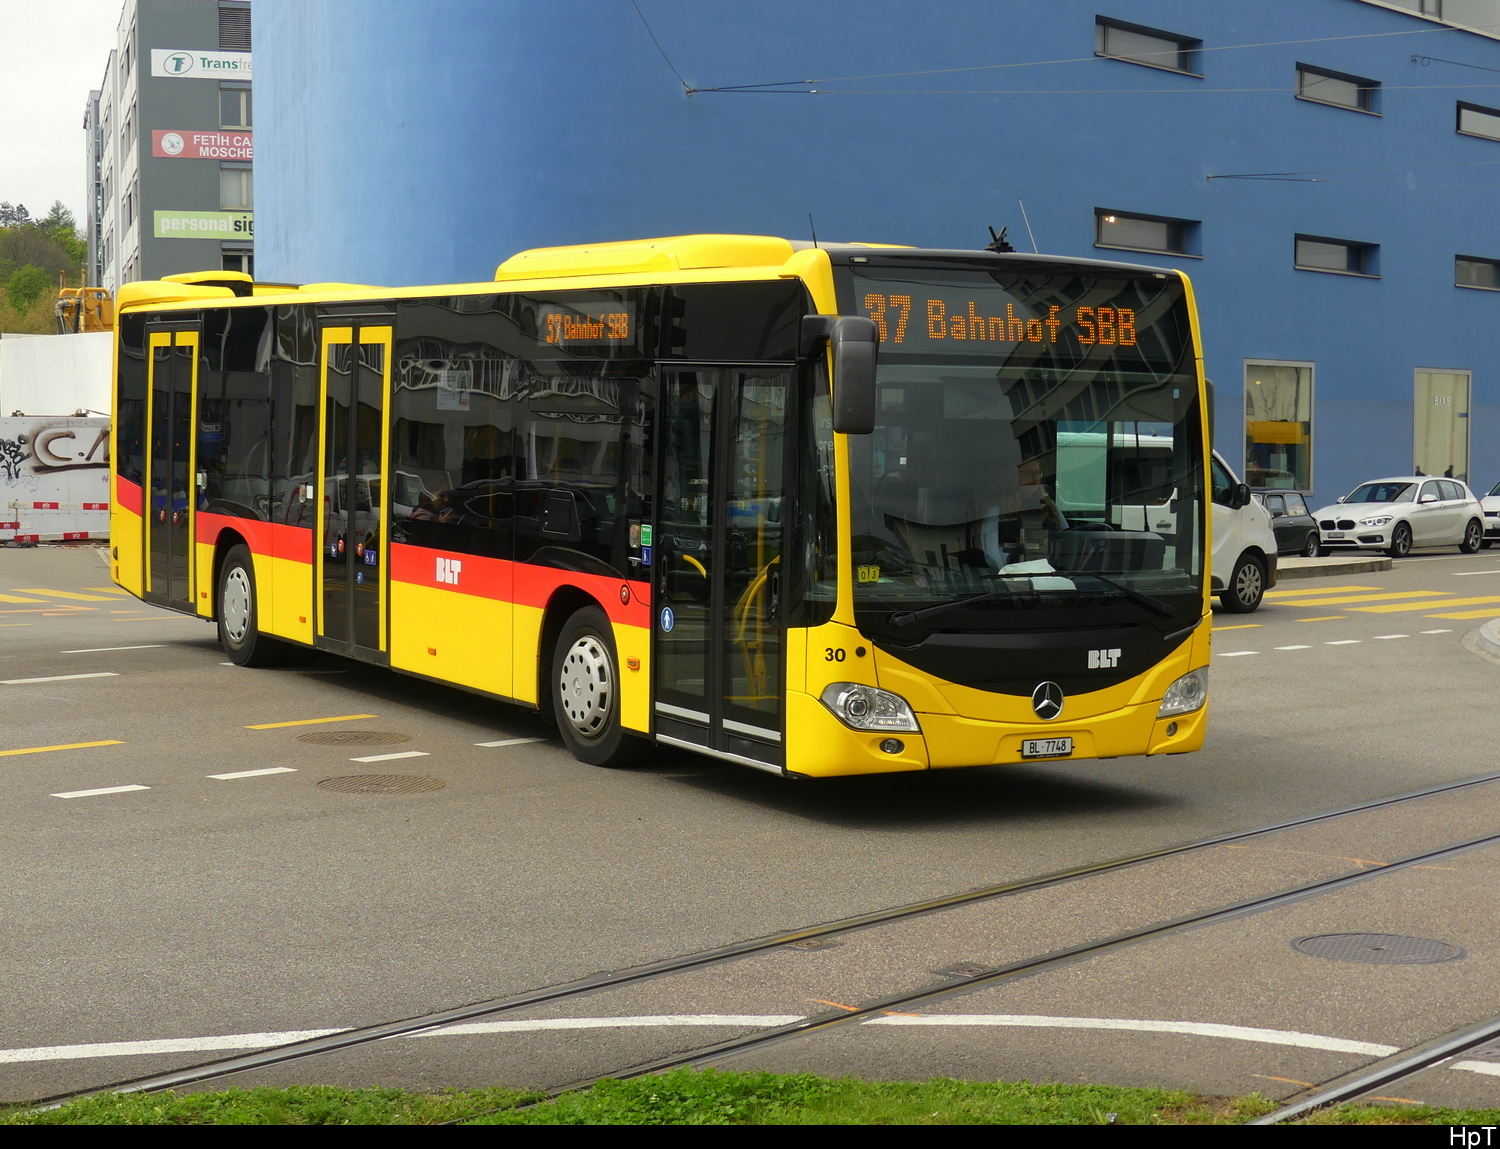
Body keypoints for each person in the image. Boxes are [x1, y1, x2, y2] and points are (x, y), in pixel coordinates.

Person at [980, 457, 1068, 571]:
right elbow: (992, 553)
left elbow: (1065, 540)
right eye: (1028, 473)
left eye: (1037, 473)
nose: (1034, 477)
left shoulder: (1050, 506)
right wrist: (1011, 573)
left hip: (1050, 577)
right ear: (1012, 476)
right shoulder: (998, 511)